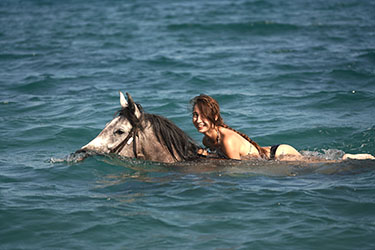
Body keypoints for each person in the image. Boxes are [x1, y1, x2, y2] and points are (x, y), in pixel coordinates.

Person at [190, 94, 375, 161]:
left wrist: (210, 156)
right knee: (315, 161)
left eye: (202, 115)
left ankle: (346, 159)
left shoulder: (227, 138)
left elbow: (234, 166)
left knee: (324, 167)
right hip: (271, 154)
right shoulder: (207, 139)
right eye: (195, 115)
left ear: (214, 117)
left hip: (278, 155)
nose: (198, 120)